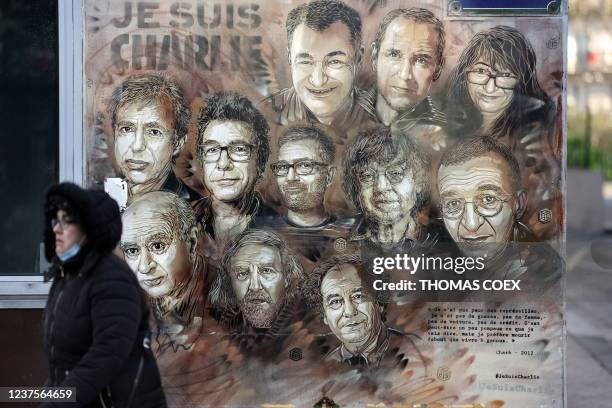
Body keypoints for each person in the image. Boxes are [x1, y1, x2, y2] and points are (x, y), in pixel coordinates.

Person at [41, 182, 166, 407]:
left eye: (67, 221)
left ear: (89, 229)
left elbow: (107, 354)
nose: (57, 229)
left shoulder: (112, 279)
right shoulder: (67, 275)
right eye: (55, 220)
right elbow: (64, 359)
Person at [445, 26, 561, 238]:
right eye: (481, 72)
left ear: (521, 80)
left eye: (505, 74)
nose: (490, 88)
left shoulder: (534, 128)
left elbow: (542, 199)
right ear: (465, 74)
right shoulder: (444, 123)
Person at [437, 136, 561, 292]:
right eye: (453, 204)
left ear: (518, 204)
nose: (471, 224)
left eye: (488, 199)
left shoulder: (541, 273)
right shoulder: (433, 264)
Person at [266, 0, 371, 138]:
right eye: (305, 62)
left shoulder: (380, 119)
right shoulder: (264, 117)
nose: (318, 81)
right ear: (290, 58)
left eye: (334, 61)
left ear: (358, 58)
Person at [303, 254, 425, 369]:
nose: (350, 312)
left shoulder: (416, 351)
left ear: (379, 302)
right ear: (324, 315)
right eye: (335, 302)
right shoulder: (323, 368)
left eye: (358, 296)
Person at [121, 191, 206, 350]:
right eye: (132, 251)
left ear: (192, 243)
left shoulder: (225, 295)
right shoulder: (123, 300)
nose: (144, 267)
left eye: (158, 246)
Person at [342, 126, 440, 255]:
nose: (381, 187)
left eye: (395, 173)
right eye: (367, 176)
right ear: (357, 187)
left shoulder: (442, 241)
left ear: (418, 182)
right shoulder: (341, 238)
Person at [194, 92, 275, 245]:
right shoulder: (182, 220)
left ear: (260, 160)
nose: (223, 164)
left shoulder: (279, 229)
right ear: (202, 161)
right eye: (212, 150)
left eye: (238, 149)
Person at [107, 73, 197, 206]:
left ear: (177, 143)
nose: (137, 146)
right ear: (115, 133)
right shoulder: (101, 201)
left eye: (154, 132)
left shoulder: (195, 212)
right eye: (126, 129)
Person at [367, 8, 448, 152]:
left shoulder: (450, 136)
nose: (405, 74)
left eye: (422, 60)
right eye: (393, 54)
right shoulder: (342, 117)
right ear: (374, 57)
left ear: (438, 69)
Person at [269, 125, 353, 261]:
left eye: (305, 165)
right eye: (283, 167)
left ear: (329, 176)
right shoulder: (262, 231)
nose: (290, 177)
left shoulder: (352, 232)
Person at [208, 229, 304, 331]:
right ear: (230, 282)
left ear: (287, 277)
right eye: (242, 273)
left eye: (266, 271)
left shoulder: (307, 321)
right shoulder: (216, 326)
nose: (254, 286)